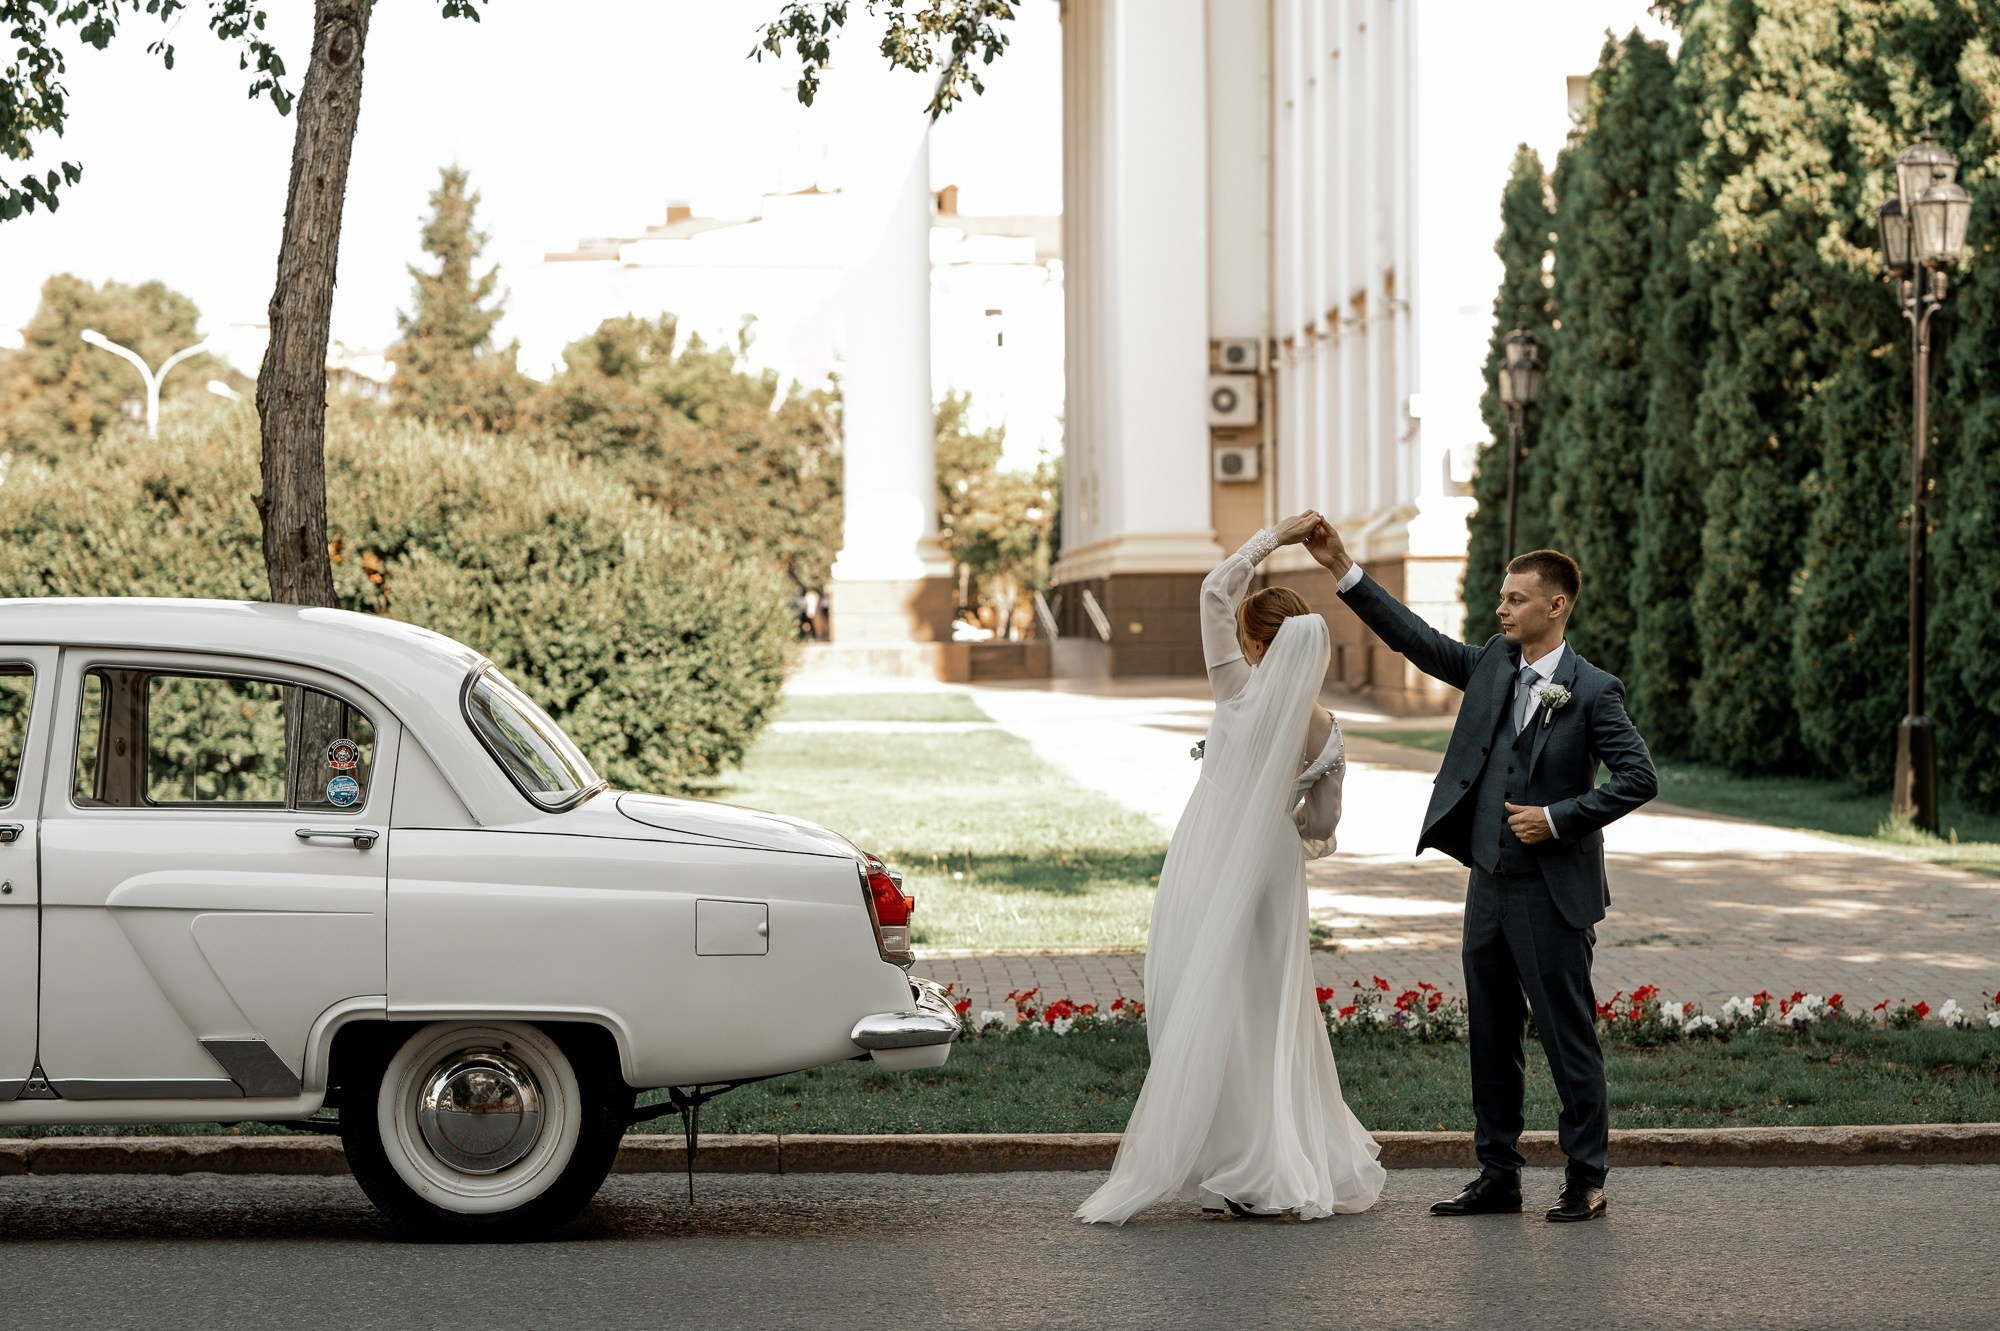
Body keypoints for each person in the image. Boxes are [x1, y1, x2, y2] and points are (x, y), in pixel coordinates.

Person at [1307, 524, 1657, 1223]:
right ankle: (1498, 1173)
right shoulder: (1494, 663)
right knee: (1491, 1035)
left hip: (1552, 895)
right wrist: (1344, 570)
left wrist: (1558, 817)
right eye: (1501, 597)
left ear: (1555, 606)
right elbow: (1416, 639)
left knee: (1567, 1037)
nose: (1501, 609)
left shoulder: (1593, 691)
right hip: (1489, 887)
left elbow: (1639, 776)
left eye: (1516, 598)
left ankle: (1586, 1176)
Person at [1077, 511, 1386, 1225]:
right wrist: (1283, 814)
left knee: (1203, 999)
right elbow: (1323, 824)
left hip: (1210, 853)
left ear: (1252, 644)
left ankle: (1234, 1160)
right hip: (1273, 869)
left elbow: (1216, 589)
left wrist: (1273, 537)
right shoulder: (1328, 733)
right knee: (1271, 1011)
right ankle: (1268, 1156)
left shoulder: (1236, 692)